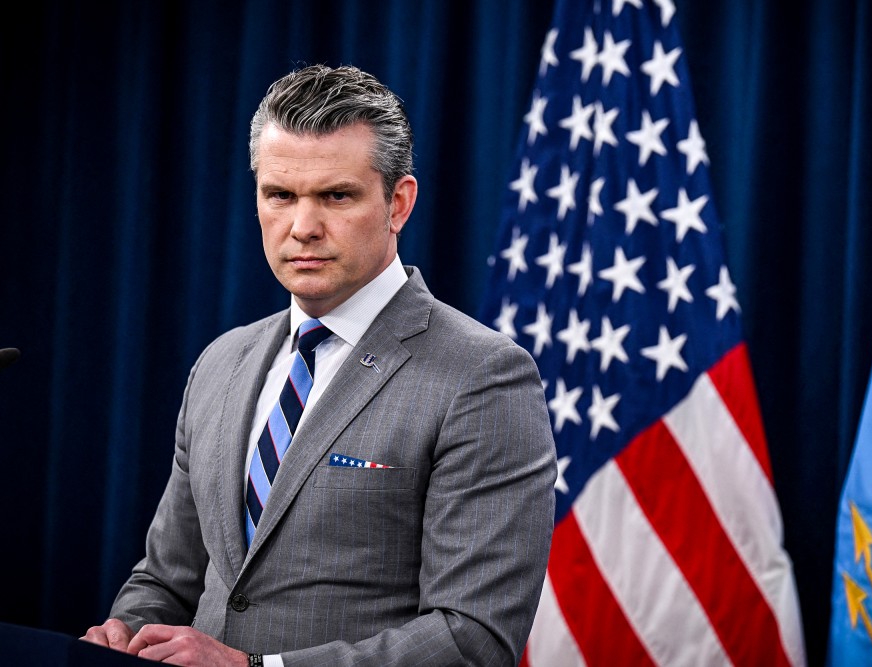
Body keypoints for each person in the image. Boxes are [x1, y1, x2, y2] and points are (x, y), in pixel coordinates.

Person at [81, 63, 557, 667]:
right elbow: (167, 580)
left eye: (337, 196)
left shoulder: (484, 377)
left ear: (398, 204)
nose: (303, 228)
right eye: (280, 195)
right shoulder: (220, 363)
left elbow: (472, 638)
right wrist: (123, 637)